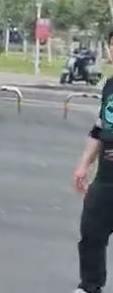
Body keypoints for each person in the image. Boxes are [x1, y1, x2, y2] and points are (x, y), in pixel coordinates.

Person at [75, 72, 113, 293]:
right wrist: (83, 165)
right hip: (106, 177)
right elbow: (99, 129)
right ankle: (90, 286)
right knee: (91, 232)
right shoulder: (110, 86)